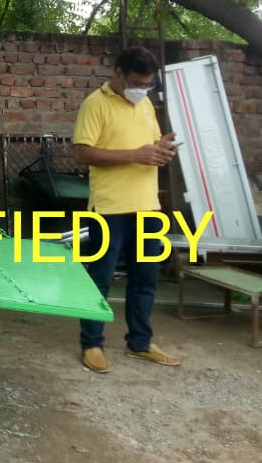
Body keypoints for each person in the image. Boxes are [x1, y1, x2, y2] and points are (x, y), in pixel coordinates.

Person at [72, 46, 182, 373]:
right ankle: (91, 344)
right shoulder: (95, 104)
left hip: (148, 208)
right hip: (109, 209)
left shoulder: (145, 104)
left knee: (145, 280)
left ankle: (140, 342)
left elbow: (149, 146)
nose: (142, 90)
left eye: (148, 85)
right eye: (136, 83)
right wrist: (136, 155)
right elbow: (82, 153)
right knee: (100, 279)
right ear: (118, 72)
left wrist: (161, 149)